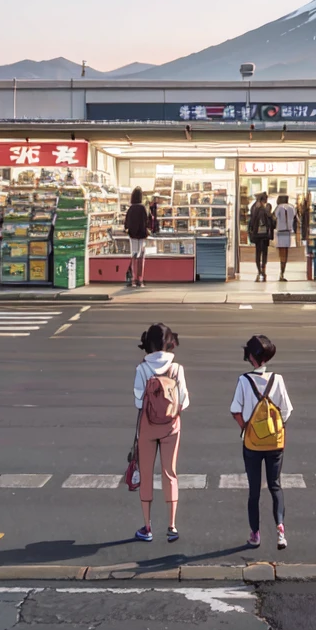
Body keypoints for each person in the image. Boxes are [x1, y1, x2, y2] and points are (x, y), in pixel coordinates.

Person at [230, 335, 293, 551]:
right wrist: (273, 427)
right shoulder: (278, 379)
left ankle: (255, 534)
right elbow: (287, 411)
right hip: (276, 443)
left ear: (250, 356)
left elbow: (235, 410)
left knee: (254, 490)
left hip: (252, 444)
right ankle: (280, 531)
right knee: (275, 485)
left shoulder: (243, 381)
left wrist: (247, 428)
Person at [133, 323, 189, 543]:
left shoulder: (142, 369)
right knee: (170, 473)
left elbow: (138, 401)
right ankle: (172, 526)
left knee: (146, 474)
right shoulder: (177, 369)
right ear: (168, 342)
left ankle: (147, 528)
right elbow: (183, 400)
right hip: (171, 425)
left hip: (147, 426)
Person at [124, 187, 150, 287]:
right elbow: (146, 222)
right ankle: (140, 279)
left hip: (132, 235)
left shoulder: (130, 208)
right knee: (141, 256)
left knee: (134, 255)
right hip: (142, 235)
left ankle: (133, 279)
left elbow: (126, 224)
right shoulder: (143, 208)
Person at [248, 193, 273, 281]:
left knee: (258, 253)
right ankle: (263, 271)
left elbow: (251, 221)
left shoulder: (254, 207)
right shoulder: (265, 208)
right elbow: (270, 220)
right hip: (264, 234)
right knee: (264, 253)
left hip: (257, 234)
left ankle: (259, 272)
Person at [274, 194, 296, 281]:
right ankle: (283, 271)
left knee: (281, 253)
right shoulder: (292, 207)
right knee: (286, 253)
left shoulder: (279, 207)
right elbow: (294, 217)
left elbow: (274, 216)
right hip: (288, 232)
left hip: (280, 232)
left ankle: (281, 272)